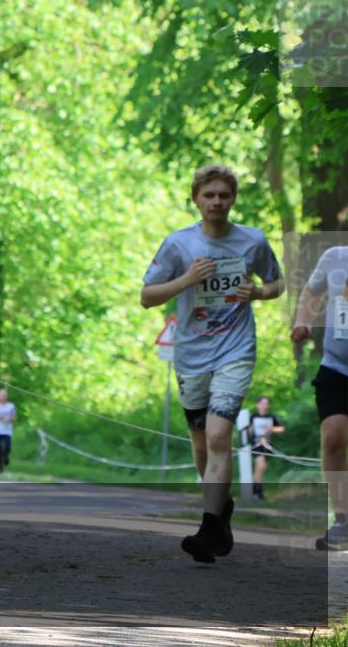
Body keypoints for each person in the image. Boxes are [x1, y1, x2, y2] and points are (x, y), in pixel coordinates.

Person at [141, 164, 284, 563]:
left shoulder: (252, 241)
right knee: (202, 445)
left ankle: (207, 530)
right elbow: (147, 296)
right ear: (196, 200)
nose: (217, 201)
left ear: (233, 198)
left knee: (220, 437)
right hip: (191, 355)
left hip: (235, 351)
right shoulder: (179, 245)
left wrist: (257, 292)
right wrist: (187, 280)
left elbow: (278, 282)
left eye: (223, 194)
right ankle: (220, 511)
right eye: (209, 195)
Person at [291, 245, 348, 550]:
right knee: (333, 436)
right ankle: (343, 520)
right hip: (336, 367)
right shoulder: (334, 257)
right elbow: (312, 293)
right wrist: (304, 321)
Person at [248, 396, 284, 500]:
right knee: (261, 466)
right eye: (263, 403)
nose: (265, 406)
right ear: (258, 404)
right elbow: (247, 432)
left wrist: (272, 428)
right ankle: (259, 491)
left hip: (267, 445)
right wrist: (250, 431)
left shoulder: (271, 417)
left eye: (266, 403)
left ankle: (256, 488)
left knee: (260, 468)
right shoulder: (253, 417)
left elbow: (281, 428)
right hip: (256, 445)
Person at [0, 389, 16, 473]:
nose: (2, 397)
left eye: (4, 395)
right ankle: (0, 467)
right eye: (0, 395)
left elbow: (14, 417)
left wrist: (8, 417)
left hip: (7, 431)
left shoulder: (11, 406)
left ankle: (6, 457)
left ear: (6, 396)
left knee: (7, 448)